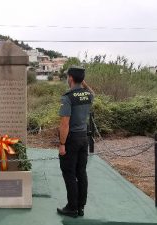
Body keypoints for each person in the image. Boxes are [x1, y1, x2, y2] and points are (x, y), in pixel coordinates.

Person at [57, 66, 94, 218]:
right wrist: (81, 81)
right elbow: (92, 92)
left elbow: (65, 124)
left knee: (69, 173)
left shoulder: (68, 97)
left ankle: (71, 208)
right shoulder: (88, 95)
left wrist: (62, 144)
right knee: (81, 172)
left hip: (71, 139)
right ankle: (80, 207)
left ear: (70, 78)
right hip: (84, 139)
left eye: (68, 77)